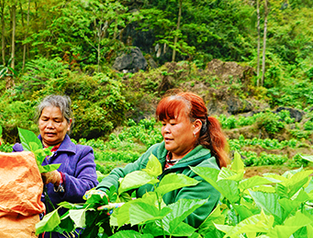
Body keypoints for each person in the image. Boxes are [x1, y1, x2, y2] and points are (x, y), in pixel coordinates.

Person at [13, 95, 98, 238]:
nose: (50, 126)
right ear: (38, 122)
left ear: (69, 123)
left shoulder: (81, 153)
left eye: (58, 120)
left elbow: (90, 188)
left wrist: (59, 178)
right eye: (45, 119)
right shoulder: (21, 150)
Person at [94, 91, 229, 228]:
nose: (165, 130)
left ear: (196, 126)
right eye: (164, 124)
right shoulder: (157, 153)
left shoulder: (205, 172)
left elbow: (178, 221)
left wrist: (131, 211)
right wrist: (103, 191)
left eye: (173, 124)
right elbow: (122, 175)